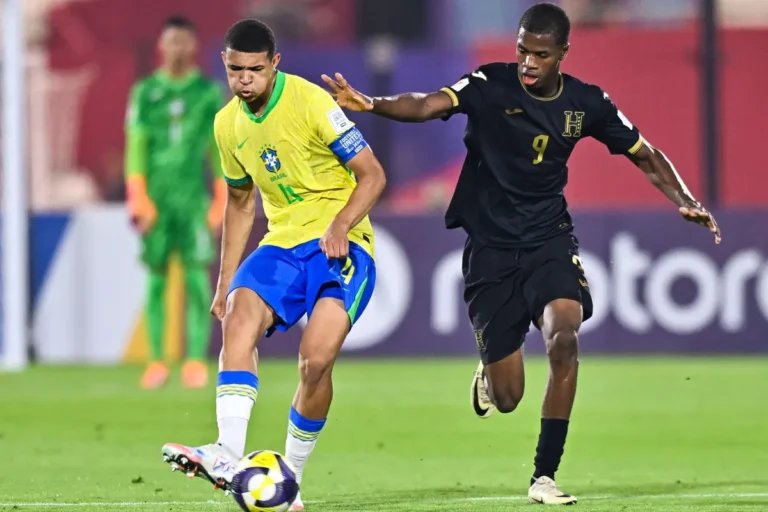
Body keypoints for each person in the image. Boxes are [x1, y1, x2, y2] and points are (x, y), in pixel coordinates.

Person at [322, 2, 720, 505]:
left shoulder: (587, 103)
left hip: (549, 238)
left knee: (564, 336)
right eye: (522, 51)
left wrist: (685, 198)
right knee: (509, 398)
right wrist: (372, 103)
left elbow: (644, 153)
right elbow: (427, 104)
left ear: (562, 54)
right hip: (490, 248)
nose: (528, 63)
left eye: (540, 55)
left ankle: (544, 475)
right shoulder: (490, 83)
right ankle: (491, 371)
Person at [161, 19, 387, 512]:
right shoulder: (226, 125)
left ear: (275, 64)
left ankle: (291, 478)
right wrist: (225, 284)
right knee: (238, 319)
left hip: (341, 244)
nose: (244, 80)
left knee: (316, 361)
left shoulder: (311, 103)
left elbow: (372, 175)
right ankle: (226, 453)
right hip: (282, 242)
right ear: (225, 64)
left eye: (254, 70)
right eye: (235, 69)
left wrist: (342, 224)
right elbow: (240, 205)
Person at [125, 15, 225, 390]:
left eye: (184, 41)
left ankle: (195, 359)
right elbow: (136, 148)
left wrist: (220, 200)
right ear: (161, 46)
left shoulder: (208, 92)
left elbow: (219, 151)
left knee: (199, 279)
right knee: (156, 280)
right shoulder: (145, 92)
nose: (177, 48)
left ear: (193, 46)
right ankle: (156, 360)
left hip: (192, 199)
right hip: (157, 201)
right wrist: (137, 198)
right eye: (171, 41)